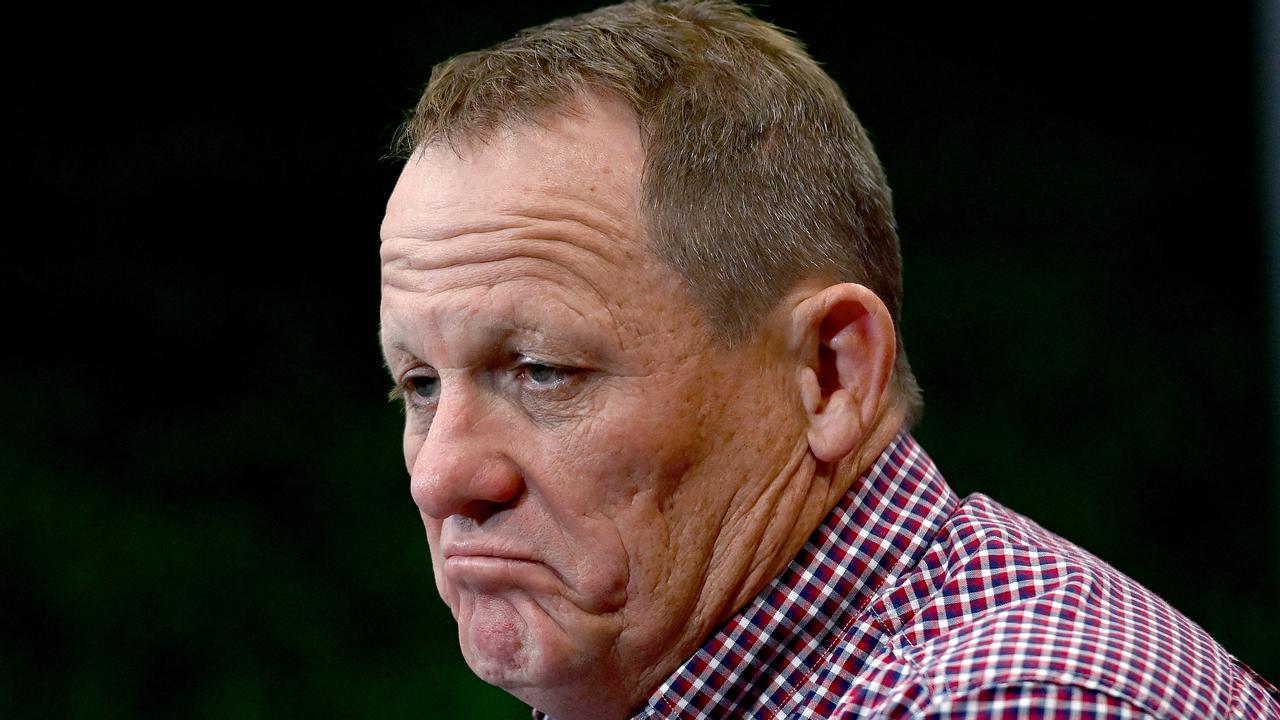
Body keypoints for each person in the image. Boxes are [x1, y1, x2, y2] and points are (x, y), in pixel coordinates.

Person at [377, 1, 1279, 718]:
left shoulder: (1006, 701)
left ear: (832, 375)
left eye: (541, 370)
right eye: (418, 383)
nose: (443, 477)